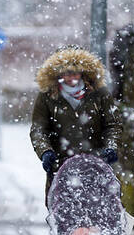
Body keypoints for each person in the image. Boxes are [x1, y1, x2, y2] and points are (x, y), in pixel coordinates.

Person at [30, 46, 123, 206]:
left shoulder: (100, 94)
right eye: (66, 73)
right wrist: (45, 152)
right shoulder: (47, 96)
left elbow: (112, 124)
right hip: (60, 170)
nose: (70, 77)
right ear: (58, 73)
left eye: (75, 72)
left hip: (96, 168)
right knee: (65, 219)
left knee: (97, 216)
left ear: (83, 72)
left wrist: (111, 147)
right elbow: (39, 129)